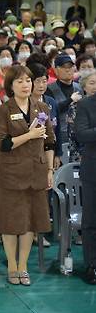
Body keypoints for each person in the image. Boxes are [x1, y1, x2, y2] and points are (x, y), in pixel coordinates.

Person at [0, 65, 55, 286]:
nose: (26, 84)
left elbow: (50, 142)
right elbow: (3, 143)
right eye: (20, 81)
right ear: (10, 86)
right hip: (11, 174)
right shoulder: (3, 110)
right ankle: (11, 266)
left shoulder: (42, 108)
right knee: (11, 222)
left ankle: (23, 266)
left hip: (36, 173)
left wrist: (49, 170)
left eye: (28, 80)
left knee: (30, 222)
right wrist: (29, 135)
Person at [75, 69, 96, 285]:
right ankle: (92, 265)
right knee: (91, 220)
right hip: (93, 169)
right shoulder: (85, 105)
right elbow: (82, 134)